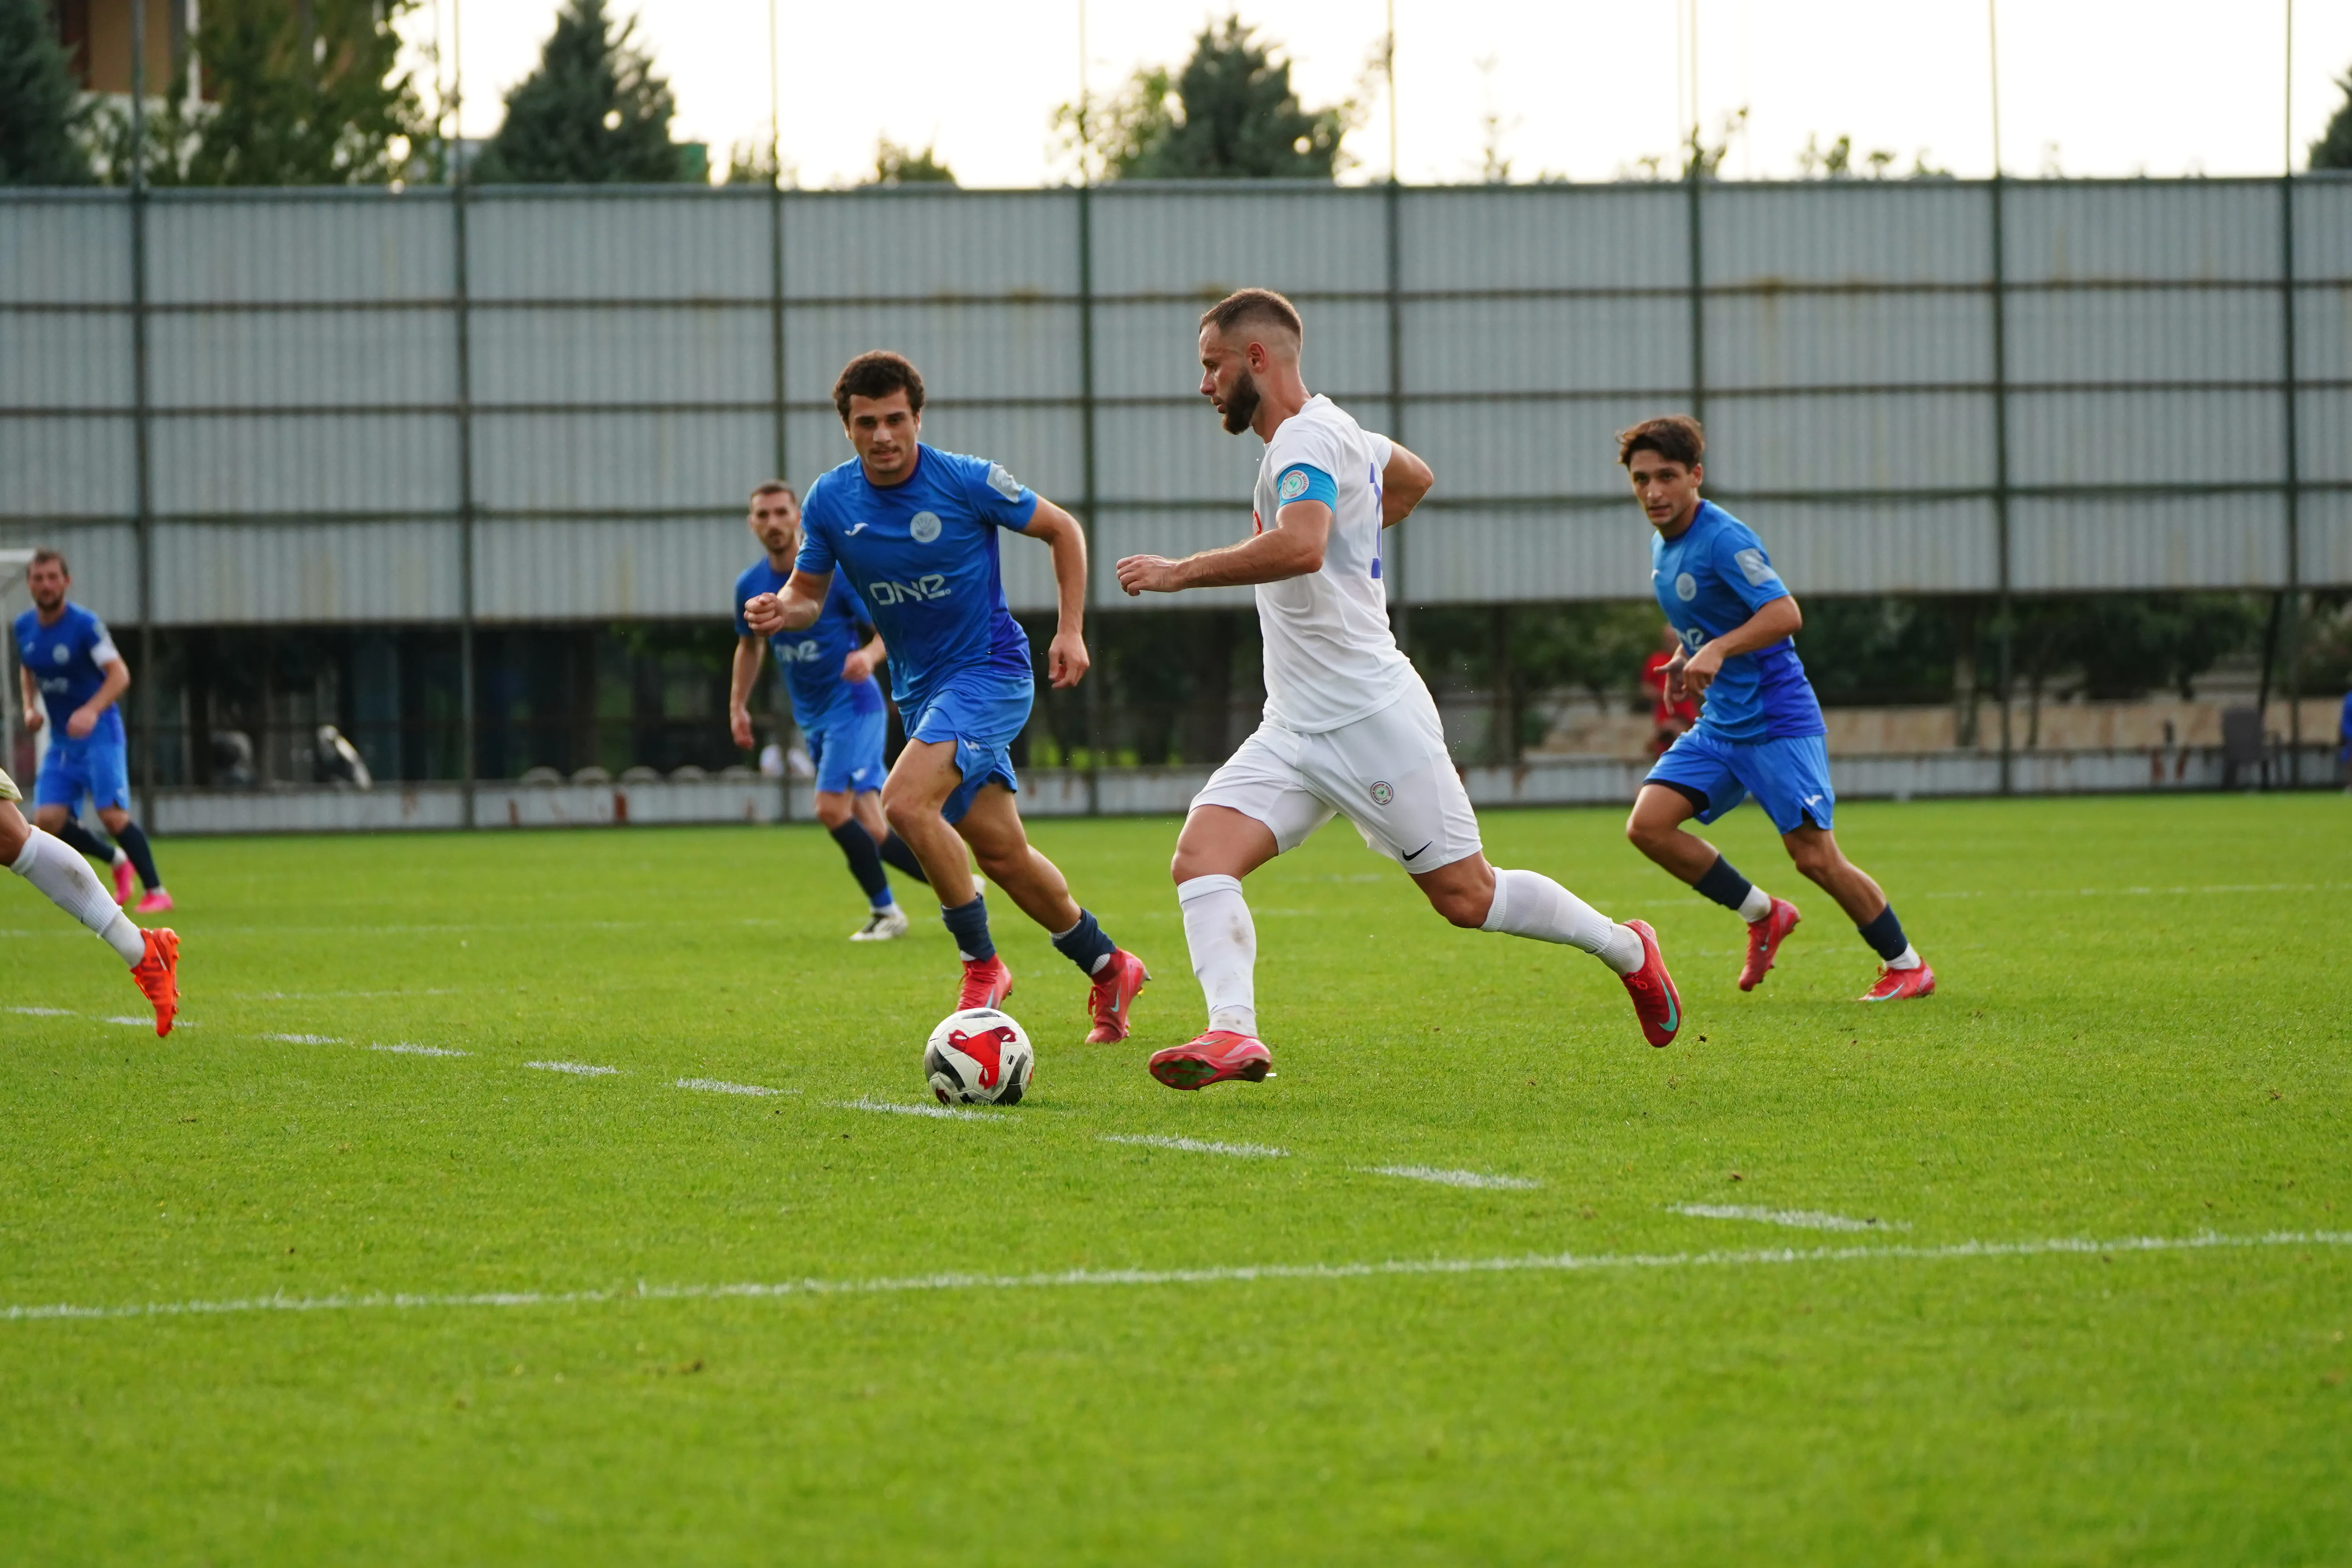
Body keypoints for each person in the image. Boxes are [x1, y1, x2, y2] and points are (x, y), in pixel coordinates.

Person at [1113, 289, 1682, 1091]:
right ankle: (1231, 1034)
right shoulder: (1336, 431)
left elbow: (1305, 545)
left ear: (1257, 360)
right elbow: (1411, 477)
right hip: (1295, 726)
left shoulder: (1306, 440)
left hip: (1371, 717)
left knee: (1467, 895)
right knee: (1201, 857)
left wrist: (1180, 573)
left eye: (1212, 366)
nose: (1205, 384)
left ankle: (1629, 948)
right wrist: (1356, 530)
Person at [742, 352, 1150, 1042]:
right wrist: (782, 611)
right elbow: (809, 596)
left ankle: (981, 963)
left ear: (917, 418)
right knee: (1002, 856)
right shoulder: (831, 501)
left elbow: (1063, 530)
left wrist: (1072, 631)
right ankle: (1109, 965)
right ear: (847, 427)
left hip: (991, 671)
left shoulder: (964, 480)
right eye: (867, 422)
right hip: (924, 691)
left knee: (902, 803)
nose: (883, 436)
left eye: (896, 419)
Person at [1615, 416, 1933, 1001]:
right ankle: (1764, 914)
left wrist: (1717, 648)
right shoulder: (1664, 544)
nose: (1653, 492)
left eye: (1667, 477)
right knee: (1649, 826)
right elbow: (1714, 622)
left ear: (1696, 477)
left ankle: (1908, 965)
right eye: (1641, 480)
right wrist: (1688, 661)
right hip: (1722, 725)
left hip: (1775, 720)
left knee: (1814, 857)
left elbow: (1785, 614)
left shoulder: (1724, 538)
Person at [729, 479, 927, 941]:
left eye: (782, 512)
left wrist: (869, 657)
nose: (774, 523)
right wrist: (738, 705)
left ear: (799, 516)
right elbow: (749, 648)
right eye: (764, 515)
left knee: (830, 809)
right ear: (752, 523)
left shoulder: (831, 576)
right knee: (874, 826)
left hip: (854, 708)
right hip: (814, 717)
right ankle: (959, 884)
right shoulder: (751, 584)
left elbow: (886, 628)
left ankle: (887, 913)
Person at [14, 550, 171, 913]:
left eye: (53, 577)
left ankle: (157, 891)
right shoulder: (24, 627)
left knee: (112, 816)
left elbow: (120, 675)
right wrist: (29, 707)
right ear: (30, 585)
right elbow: (27, 670)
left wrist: (90, 709)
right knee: (47, 821)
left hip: (101, 733)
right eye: (39, 578)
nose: (46, 585)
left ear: (66, 582)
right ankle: (118, 862)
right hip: (62, 741)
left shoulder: (85, 625)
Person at [1641, 623, 1700, 756]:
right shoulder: (1656, 660)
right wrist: (1664, 694)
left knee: (1687, 746)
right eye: (1668, 640)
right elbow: (1646, 688)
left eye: (1674, 639)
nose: (1671, 643)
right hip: (1664, 716)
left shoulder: (1692, 658)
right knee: (1662, 749)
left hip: (1687, 716)